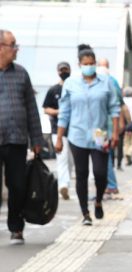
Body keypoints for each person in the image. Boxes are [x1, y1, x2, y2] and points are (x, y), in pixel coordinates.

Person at [55, 44, 120, 226]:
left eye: (92, 63)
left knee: (100, 172)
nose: (89, 66)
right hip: (77, 134)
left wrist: (115, 132)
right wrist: (59, 138)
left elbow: (114, 108)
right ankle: (85, 213)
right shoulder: (70, 84)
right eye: (86, 63)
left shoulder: (105, 82)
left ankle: (98, 200)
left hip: (100, 134)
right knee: (81, 173)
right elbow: (64, 112)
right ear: (79, 64)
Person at [0, 29, 45, 244]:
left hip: (16, 139)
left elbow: (31, 108)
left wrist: (37, 139)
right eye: (13, 44)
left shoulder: (21, 74)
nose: (16, 49)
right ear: (1, 47)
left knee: (17, 185)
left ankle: (16, 227)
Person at [43, 61, 73, 201]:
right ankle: (63, 185)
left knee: (71, 160)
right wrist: (58, 112)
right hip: (58, 131)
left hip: (74, 130)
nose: (64, 72)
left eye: (66, 69)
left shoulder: (74, 87)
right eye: (61, 70)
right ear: (58, 71)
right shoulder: (53, 90)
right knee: (62, 158)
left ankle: (67, 184)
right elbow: (46, 108)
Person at [96, 58, 124, 195]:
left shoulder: (108, 82)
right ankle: (108, 184)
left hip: (101, 128)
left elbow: (117, 106)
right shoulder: (113, 81)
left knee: (102, 154)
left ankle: (111, 184)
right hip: (102, 127)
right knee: (105, 154)